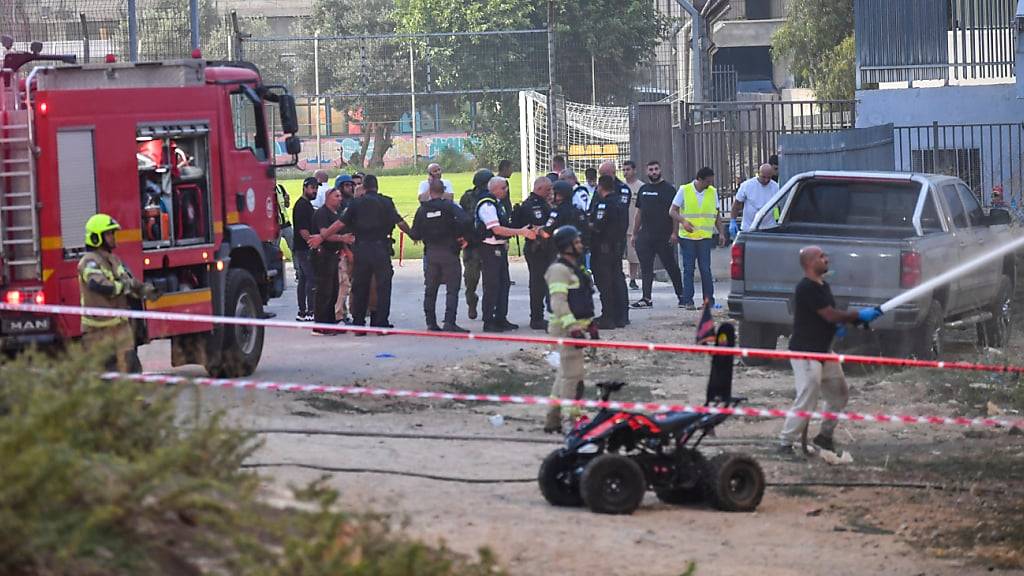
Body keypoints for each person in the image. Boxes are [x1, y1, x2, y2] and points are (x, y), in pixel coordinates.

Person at [778, 246, 882, 454]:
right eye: (821, 257)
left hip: (824, 351)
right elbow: (829, 315)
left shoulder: (823, 286)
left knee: (839, 395)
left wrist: (846, 324)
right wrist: (857, 316)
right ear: (809, 263)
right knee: (807, 397)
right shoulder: (806, 287)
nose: (826, 259)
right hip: (806, 353)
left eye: (825, 256)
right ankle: (785, 443)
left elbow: (829, 317)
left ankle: (824, 436)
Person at [78, 213, 159, 371]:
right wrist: (122, 288)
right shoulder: (88, 262)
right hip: (98, 334)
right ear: (96, 237)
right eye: (109, 234)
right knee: (105, 380)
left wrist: (144, 290)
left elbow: (127, 281)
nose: (113, 237)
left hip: (121, 331)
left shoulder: (114, 260)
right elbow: (98, 284)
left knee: (133, 371)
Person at [335, 174, 412, 330]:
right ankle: (380, 323)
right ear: (377, 186)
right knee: (383, 286)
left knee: (360, 286)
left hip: (362, 248)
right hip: (380, 248)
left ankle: (359, 323)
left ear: (364, 186)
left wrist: (323, 235)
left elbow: (340, 223)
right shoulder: (386, 202)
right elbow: (400, 222)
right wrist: (414, 235)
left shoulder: (356, 204)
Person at [543, 225, 598, 433]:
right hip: (564, 330)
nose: (580, 245)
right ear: (566, 246)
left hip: (576, 328)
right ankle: (572, 420)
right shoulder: (558, 270)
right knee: (573, 378)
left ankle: (553, 419)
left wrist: (590, 324)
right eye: (576, 242)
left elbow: (581, 300)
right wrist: (573, 327)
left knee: (564, 376)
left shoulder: (575, 267)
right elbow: (559, 303)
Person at [477, 175, 536, 332]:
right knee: (492, 285)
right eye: (503, 188)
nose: (506, 190)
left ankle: (501, 318)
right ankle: (489, 321)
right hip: (489, 249)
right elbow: (496, 229)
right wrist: (521, 232)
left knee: (504, 284)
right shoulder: (487, 205)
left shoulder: (498, 204)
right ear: (494, 189)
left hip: (499, 247)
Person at [410, 180, 471, 332]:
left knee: (430, 289)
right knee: (452, 288)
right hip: (449, 251)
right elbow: (466, 220)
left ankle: (431, 323)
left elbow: (415, 233)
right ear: (443, 191)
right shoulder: (449, 206)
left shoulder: (422, 210)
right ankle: (449, 322)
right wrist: (460, 235)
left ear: (429, 192)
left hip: (431, 252)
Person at [630, 160, 686, 308]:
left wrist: (675, 233)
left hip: (664, 236)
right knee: (646, 268)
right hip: (646, 236)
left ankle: (682, 296)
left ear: (660, 170)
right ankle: (646, 298)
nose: (653, 172)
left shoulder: (669, 189)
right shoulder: (643, 190)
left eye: (656, 169)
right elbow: (638, 213)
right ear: (647, 172)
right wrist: (635, 234)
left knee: (671, 266)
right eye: (651, 170)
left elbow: (675, 213)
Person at [670, 167, 726, 310]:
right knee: (688, 269)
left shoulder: (712, 192)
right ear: (700, 179)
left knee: (705, 270)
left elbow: (716, 215)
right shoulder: (685, 190)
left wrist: (721, 233)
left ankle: (709, 301)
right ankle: (688, 300)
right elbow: (672, 211)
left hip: (705, 237)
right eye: (708, 181)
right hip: (687, 237)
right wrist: (683, 222)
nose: (710, 184)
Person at [513, 177, 556, 330]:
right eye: (548, 189)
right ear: (539, 189)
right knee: (537, 284)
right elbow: (532, 226)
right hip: (536, 249)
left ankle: (546, 315)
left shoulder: (546, 203)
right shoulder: (530, 205)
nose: (550, 192)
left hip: (549, 248)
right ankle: (536, 318)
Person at [309, 188, 353, 334]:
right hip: (323, 255)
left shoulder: (337, 214)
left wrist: (345, 249)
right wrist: (342, 238)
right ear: (328, 198)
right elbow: (324, 235)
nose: (340, 199)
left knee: (334, 290)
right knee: (324, 291)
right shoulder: (322, 213)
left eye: (340, 196)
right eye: (336, 196)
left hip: (334, 255)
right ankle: (320, 325)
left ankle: (330, 322)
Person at [589, 175, 629, 329]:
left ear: (600, 187)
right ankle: (620, 316)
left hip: (603, 249)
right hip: (616, 248)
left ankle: (608, 316)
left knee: (605, 284)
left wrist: (587, 224)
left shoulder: (603, 204)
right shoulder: (619, 202)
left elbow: (598, 226)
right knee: (617, 281)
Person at [598, 161, 632, 325]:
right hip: (605, 239)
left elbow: (616, 214)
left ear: (612, 172)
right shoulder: (602, 188)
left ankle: (621, 314)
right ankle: (612, 312)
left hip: (614, 239)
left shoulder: (621, 190)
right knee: (608, 277)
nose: (601, 177)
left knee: (616, 276)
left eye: (604, 173)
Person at [459, 169, 493, 320]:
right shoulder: (467, 197)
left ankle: (488, 309)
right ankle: (471, 302)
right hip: (472, 244)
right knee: (470, 279)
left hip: (487, 243)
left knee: (490, 280)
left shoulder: (492, 198)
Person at [292, 177, 319, 321]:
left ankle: (302, 311)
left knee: (303, 279)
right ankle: (310, 311)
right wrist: (313, 244)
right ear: (305, 187)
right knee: (311, 278)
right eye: (312, 187)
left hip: (301, 248)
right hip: (304, 249)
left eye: (316, 188)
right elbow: (303, 231)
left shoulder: (306, 204)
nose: (315, 190)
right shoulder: (302, 205)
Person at [730, 163, 780, 238]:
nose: (766, 180)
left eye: (769, 178)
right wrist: (732, 220)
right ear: (759, 173)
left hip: (769, 228)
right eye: (763, 177)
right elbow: (737, 204)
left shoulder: (775, 187)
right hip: (749, 228)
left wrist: (777, 219)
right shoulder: (747, 185)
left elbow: (778, 206)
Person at [334, 174, 357, 323]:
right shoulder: (339, 206)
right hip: (344, 248)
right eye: (347, 185)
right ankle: (339, 314)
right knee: (343, 283)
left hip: (356, 245)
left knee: (352, 284)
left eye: (351, 185)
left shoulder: (354, 203)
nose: (350, 188)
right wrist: (346, 249)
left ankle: (348, 312)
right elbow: (339, 230)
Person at [622, 160, 643, 290]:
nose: (625, 172)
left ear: (634, 170)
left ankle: (633, 278)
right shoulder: (621, 186)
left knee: (633, 255)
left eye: (628, 169)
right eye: (623, 170)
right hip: (620, 225)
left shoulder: (640, 187)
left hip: (633, 225)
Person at [275, 184, 293, 254]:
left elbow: (287, 205)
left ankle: (297, 265)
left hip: (286, 224)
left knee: (294, 248)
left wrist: (287, 200)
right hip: (274, 227)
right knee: (275, 250)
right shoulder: (264, 190)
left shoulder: (280, 188)